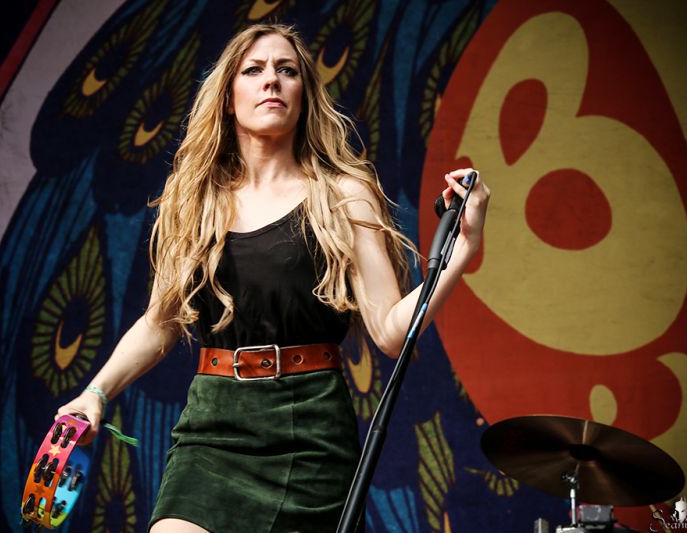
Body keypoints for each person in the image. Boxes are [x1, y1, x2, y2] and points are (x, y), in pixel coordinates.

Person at [56, 23, 490, 533]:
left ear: (303, 96)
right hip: (214, 426)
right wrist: (97, 393)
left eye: (287, 70)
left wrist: (463, 250)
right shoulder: (195, 200)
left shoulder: (343, 195)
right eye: (254, 70)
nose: (272, 80)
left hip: (309, 429)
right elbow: (160, 322)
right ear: (227, 98)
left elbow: (392, 332)